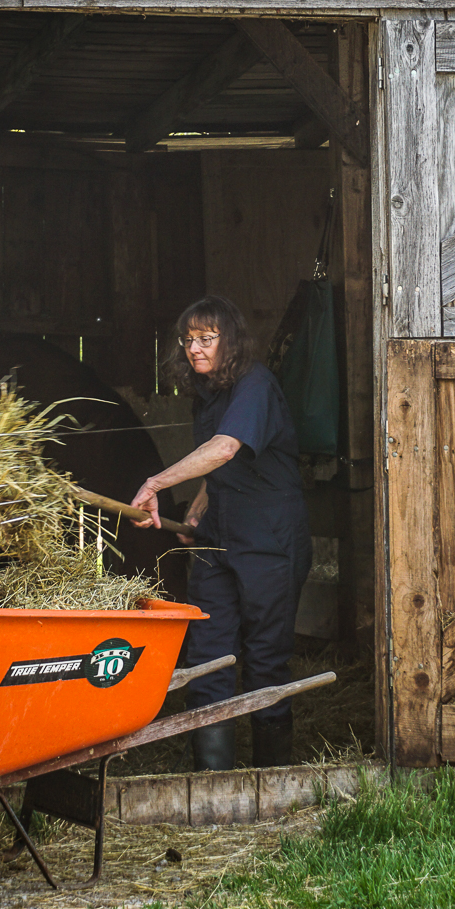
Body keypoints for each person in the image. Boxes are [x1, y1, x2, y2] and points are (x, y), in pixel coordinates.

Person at [130, 296, 311, 770]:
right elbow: (223, 464)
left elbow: (227, 448)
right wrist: (198, 508)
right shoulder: (211, 393)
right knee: (208, 655)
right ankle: (212, 781)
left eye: (206, 338)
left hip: (268, 540)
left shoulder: (254, 384)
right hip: (219, 537)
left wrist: (156, 483)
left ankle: (272, 779)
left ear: (230, 341)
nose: (194, 348)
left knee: (266, 657)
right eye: (187, 340)